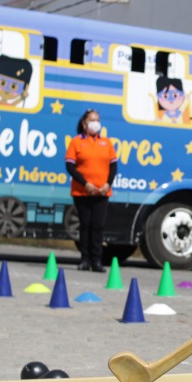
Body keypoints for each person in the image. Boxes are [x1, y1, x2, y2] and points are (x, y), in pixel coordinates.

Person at [64, 109, 119, 270]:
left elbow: (113, 166)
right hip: (82, 191)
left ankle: (97, 261)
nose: (96, 123)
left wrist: (107, 184)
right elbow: (70, 166)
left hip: (102, 192)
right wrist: (85, 184)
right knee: (85, 225)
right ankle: (85, 260)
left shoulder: (107, 143)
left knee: (98, 226)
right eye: (92, 120)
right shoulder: (76, 142)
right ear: (84, 123)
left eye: (98, 120)